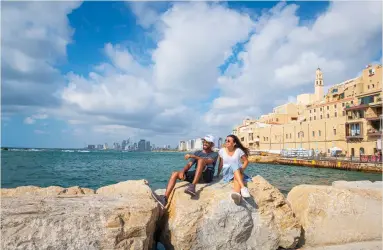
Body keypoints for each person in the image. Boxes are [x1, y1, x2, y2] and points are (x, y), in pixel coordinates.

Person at [156, 135, 218, 207]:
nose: (205, 143)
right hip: (197, 175)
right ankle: (165, 199)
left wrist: (193, 156)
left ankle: (192, 187)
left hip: (207, 176)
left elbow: (208, 161)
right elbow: (189, 164)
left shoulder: (214, 154)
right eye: (204, 141)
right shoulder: (198, 152)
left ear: (212, 144)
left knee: (201, 161)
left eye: (207, 142)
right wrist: (183, 171)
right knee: (175, 173)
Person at [216, 134, 251, 205]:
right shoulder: (222, 151)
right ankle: (243, 188)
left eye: (228, 141)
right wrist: (217, 174)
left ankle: (237, 195)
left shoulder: (238, 150)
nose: (226, 142)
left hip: (237, 171)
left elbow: (246, 161)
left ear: (234, 143)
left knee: (236, 174)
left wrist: (242, 169)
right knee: (235, 165)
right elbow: (221, 164)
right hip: (228, 172)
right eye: (226, 140)